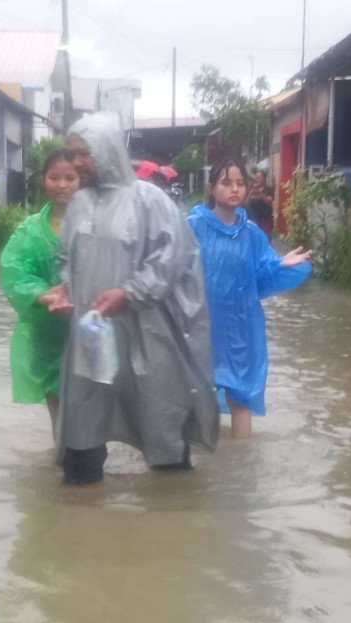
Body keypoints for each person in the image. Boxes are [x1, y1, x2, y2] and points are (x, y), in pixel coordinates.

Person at [48, 113, 219, 485]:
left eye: (84, 153)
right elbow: (66, 261)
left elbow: (173, 259)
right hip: (93, 337)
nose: (76, 161)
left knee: (161, 426)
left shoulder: (149, 201)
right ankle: (81, 519)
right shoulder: (79, 205)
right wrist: (62, 290)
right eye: (72, 153)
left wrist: (130, 293)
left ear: (107, 151)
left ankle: (171, 526)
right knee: (82, 433)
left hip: (147, 335)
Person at [188, 160, 312, 440]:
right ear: (212, 188)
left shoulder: (252, 234)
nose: (234, 189)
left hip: (240, 329)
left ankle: (243, 469)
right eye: (226, 182)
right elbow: (171, 267)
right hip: (200, 325)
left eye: (240, 183)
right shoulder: (194, 226)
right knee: (195, 395)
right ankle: (196, 468)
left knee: (240, 397)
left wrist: (282, 264)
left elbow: (263, 271)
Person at [0, 149, 80, 433]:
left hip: (87, 327)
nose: (62, 184)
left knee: (87, 402)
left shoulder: (96, 225)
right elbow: (14, 270)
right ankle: (61, 456)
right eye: (55, 177)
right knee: (56, 401)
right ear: (44, 181)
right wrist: (43, 294)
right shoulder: (30, 230)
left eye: (70, 177)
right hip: (46, 332)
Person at [245, 169, 275, 237]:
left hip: (265, 219)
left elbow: (269, 201)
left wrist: (260, 192)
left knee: (265, 237)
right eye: (256, 178)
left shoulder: (268, 189)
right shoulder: (252, 189)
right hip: (254, 219)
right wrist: (251, 192)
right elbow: (246, 203)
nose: (258, 179)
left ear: (264, 179)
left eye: (260, 177)